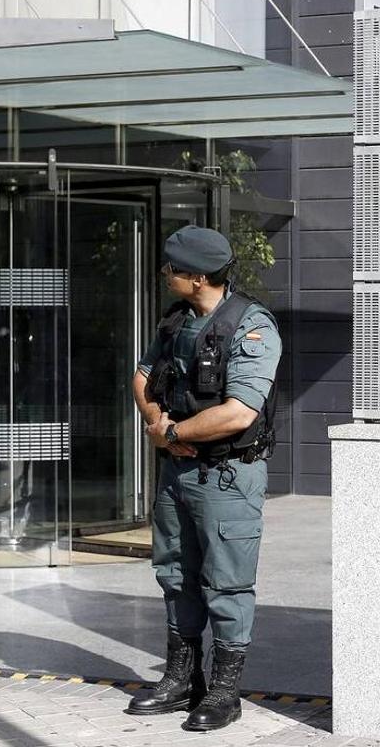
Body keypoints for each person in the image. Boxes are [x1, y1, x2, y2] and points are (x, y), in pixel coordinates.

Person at [127, 225, 281, 732]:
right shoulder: (177, 320)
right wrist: (161, 426)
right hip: (179, 470)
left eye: (172, 269)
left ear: (196, 278)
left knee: (227, 582)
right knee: (175, 574)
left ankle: (224, 691)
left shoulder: (251, 326)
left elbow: (239, 412)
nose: (164, 274)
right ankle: (181, 679)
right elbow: (143, 376)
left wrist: (171, 430)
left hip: (228, 475)